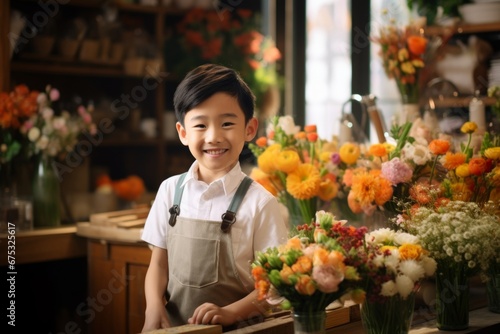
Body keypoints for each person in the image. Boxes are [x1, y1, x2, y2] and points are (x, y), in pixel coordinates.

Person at [141, 64, 288, 331]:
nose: (214, 137)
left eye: (227, 123)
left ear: (250, 128)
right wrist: (153, 306)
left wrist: (231, 313)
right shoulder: (169, 191)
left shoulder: (261, 203)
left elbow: (275, 285)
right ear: (183, 133)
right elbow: (159, 264)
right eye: (200, 125)